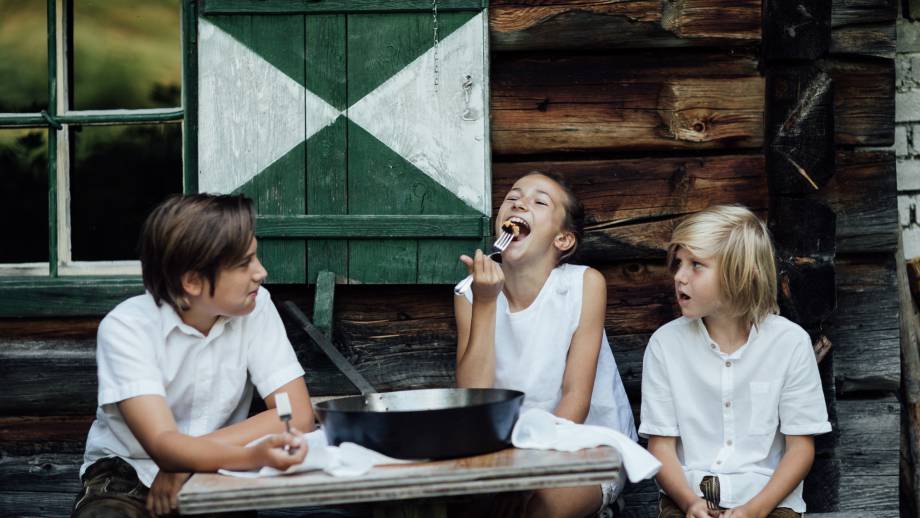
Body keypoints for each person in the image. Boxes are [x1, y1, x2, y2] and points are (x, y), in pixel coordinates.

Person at [72, 194, 313, 518]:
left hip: (219, 470)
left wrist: (187, 461)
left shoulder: (255, 307)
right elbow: (162, 444)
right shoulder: (127, 327)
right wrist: (253, 455)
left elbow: (297, 415)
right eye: (244, 264)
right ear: (193, 281)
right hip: (127, 478)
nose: (261, 272)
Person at [455, 172, 637, 518]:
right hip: (504, 451)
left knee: (542, 507)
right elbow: (473, 400)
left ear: (563, 239)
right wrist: (485, 304)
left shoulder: (584, 285)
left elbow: (576, 399)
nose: (520, 203)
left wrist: (530, 474)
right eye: (513, 197)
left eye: (539, 202)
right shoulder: (471, 293)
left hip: (583, 441)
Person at [640, 205, 831, 518]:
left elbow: (800, 449)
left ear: (741, 272)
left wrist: (754, 510)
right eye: (678, 264)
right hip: (688, 498)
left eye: (696, 265)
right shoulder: (665, 344)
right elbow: (661, 447)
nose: (680, 276)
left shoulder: (790, 343)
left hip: (769, 503)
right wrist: (689, 502)